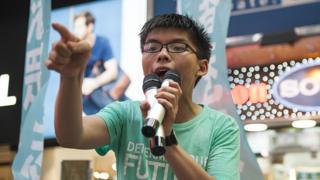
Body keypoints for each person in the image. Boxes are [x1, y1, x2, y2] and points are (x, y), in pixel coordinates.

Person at [45, 13, 240, 180]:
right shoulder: (126, 113)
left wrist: (167, 141)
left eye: (178, 47)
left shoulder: (221, 127)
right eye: (152, 48)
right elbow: (71, 136)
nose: (162, 54)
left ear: (202, 67)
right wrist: (70, 77)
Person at [73, 11, 130, 115]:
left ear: (90, 26)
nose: (76, 31)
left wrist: (93, 83)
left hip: (109, 94)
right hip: (90, 102)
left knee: (131, 113)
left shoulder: (102, 42)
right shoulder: (75, 49)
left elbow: (113, 72)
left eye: (79, 26)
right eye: (75, 27)